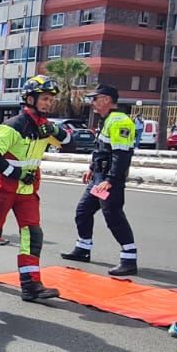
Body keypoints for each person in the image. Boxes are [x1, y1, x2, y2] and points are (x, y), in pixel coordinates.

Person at [0, 75, 71, 302]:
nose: (48, 103)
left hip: (28, 192)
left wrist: (52, 128)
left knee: (33, 235)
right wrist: (16, 173)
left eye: (50, 100)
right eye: (44, 99)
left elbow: (65, 141)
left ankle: (31, 285)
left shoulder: (45, 128)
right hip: (4, 189)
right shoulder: (12, 126)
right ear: (30, 99)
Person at [62, 85, 138, 276]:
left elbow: (121, 155)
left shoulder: (120, 121)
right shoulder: (107, 120)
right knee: (83, 211)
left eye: (95, 99)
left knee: (114, 216)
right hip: (99, 177)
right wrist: (91, 168)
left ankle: (129, 258)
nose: (92, 102)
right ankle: (83, 249)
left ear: (106, 99)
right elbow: (102, 150)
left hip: (108, 180)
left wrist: (110, 180)